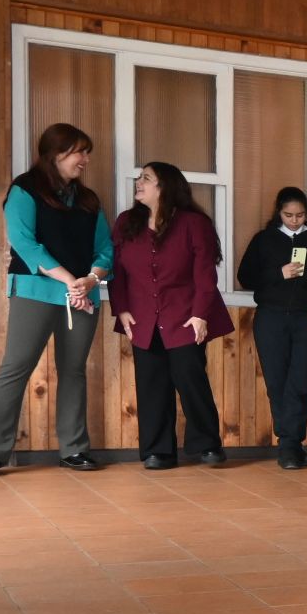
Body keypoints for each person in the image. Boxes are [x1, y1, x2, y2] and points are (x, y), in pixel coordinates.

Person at [0, 123, 112, 476]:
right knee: (16, 367)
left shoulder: (89, 200)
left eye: (87, 152)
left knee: (74, 371)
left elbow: (105, 249)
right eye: (80, 151)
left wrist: (91, 279)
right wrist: (71, 281)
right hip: (36, 290)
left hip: (82, 295)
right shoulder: (25, 189)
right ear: (56, 153)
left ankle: (74, 450)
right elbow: (25, 243)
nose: (85, 159)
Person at [107, 162, 234, 470]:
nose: (139, 182)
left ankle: (207, 444)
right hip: (141, 317)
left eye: (146, 178)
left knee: (190, 379)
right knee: (151, 384)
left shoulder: (194, 223)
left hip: (186, 314)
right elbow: (117, 271)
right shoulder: (126, 222)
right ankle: (158, 451)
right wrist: (121, 308)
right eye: (139, 178)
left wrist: (201, 314)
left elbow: (205, 274)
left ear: (165, 186)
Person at [238, 187, 307, 470]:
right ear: (279, 213)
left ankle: (289, 445)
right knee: (277, 383)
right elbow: (245, 276)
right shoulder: (264, 240)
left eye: (300, 215)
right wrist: (278, 273)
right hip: (270, 318)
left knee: (301, 382)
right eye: (289, 215)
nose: (295, 220)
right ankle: (290, 445)